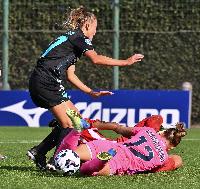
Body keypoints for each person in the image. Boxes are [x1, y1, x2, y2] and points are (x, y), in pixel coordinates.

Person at [27, 6, 144, 170]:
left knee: (77, 123)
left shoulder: (70, 40)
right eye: (95, 28)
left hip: (47, 82)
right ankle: (56, 161)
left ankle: (39, 152)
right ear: (88, 25)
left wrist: (90, 92)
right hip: (46, 82)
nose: (95, 32)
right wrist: (126, 62)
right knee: (70, 125)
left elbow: (71, 75)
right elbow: (96, 59)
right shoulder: (79, 37)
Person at [55, 109, 186, 176]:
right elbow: (177, 160)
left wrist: (93, 123)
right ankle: (100, 162)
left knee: (67, 154)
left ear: (162, 132)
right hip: (119, 162)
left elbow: (119, 128)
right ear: (173, 145)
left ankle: (77, 131)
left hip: (110, 146)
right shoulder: (162, 158)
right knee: (85, 171)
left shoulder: (148, 131)